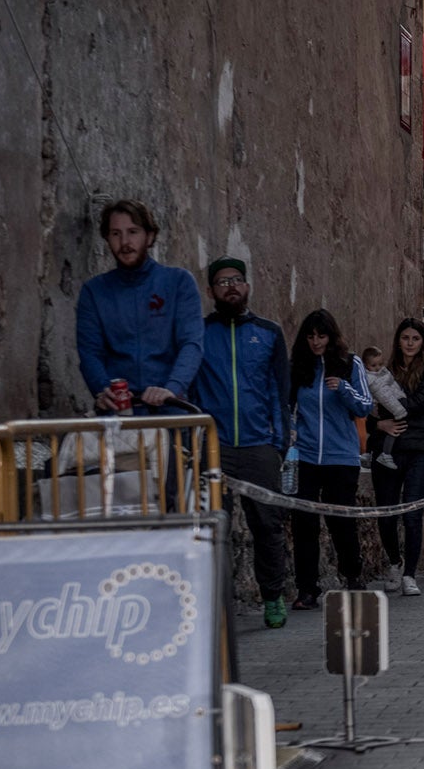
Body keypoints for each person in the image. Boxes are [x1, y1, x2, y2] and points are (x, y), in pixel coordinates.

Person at [194, 257, 293, 627]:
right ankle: (213, 603)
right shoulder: (199, 333)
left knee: (267, 525)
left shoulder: (268, 333)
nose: (230, 286)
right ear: (211, 291)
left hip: (259, 446)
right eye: (222, 282)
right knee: (210, 528)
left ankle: (272, 596)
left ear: (247, 286)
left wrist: (278, 445)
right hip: (214, 448)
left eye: (236, 280)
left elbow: (280, 394)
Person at [75, 199, 203, 412]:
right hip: (118, 413)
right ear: (107, 238)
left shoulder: (178, 282)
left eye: (133, 232)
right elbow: (90, 352)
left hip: (170, 410)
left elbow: (191, 343)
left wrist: (172, 388)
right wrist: (102, 388)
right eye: (116, 233)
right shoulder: (94, 291)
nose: (125, 242)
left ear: (150, 236)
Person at [288, 309, 374, 608]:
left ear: (331, 336)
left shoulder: (350, 363)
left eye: (321, 336)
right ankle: (307, 589)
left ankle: (352, 576)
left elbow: (365, 406)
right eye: (310, 336)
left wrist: (344, 389)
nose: (315, 342)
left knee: (342, 521)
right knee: (304, 524)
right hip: (308, 457)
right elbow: (288, 408)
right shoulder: (299, 367)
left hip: (342, 457)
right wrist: (290, 437)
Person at [369, 320, 424, 597]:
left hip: (420, 449)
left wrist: (388, 404)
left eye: (415, 338)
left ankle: (410, 574)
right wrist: (380, 425)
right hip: (388, 449)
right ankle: (394, 562)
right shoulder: (386, 369)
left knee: (412, 513)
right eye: (405, 337)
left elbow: (418, 405)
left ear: (423, 341)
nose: (410, 343)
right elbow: (368, 411)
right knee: (387, 514)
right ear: (398, 341)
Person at [361, 346, 409, 472]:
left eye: (380, 364)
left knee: (381, 431)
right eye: (373, 365)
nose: (378, 367)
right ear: (366, 365)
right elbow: (385, 396)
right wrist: (399, 410)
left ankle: (367, 452)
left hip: (383, 407)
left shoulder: (383, 373)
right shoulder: (372, 379)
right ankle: (386, 454)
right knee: (394, 429)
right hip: (386, 408)